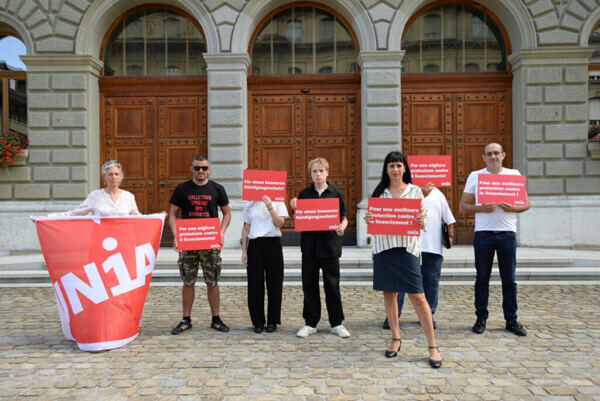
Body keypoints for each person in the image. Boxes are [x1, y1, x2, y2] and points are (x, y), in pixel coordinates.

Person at [365, 151, 442, 368]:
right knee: (389, 295)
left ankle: (433, 346)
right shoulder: (379, 193)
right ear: (386, 169)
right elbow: (373, 220)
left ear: (405, 168)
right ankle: (395, 339)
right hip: (384, 249)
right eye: (392, 166)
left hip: (407, 250)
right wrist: (369, 218)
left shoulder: (415, 191)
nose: (396, 170)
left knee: (418, 297)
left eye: (399, 165)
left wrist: (420, 219)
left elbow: (424, 219)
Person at [459, 142, 530, 336]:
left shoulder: (513, 175)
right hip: (484, 234)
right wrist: (480, 208)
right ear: (483, 157)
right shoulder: (476, 176)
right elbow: (463, 205)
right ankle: (481, 318)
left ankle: (511, 320)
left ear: (503, 155)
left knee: (509, 279)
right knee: (482, 278)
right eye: (489, 154)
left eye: (496, 153)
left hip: (507, 234)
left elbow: (526, 204)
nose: (493, 157)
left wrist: (513, 208)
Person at [169, 155, 232, 335]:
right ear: (192, 169)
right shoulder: (182, 189)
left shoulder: (217, 188)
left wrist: (221, 232)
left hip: (210, 242)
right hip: (188, 242)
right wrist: (176, 235)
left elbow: (227, 213)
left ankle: (216, 318)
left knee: (212, 281)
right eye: (197, 168)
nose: (201, 172)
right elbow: (172, 214)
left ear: (209, 169)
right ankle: (186, 319)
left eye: (204, 168)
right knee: (188, 281)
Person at [290, 157, 351, 339]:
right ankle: (310, 323)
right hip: (309, 247)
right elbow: (299, 220)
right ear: (310, 174)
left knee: (332, 285)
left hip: (330, 246)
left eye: (321, 171)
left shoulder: (336, 194)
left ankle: (337, 323)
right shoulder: (304, 195)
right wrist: (295, 208)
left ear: (327, 172)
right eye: (314, 171)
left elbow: (344, 217)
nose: (318, 174)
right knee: (309, 286)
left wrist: (343, 227)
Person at [383, 183, 456, 330]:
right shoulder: (403, 192)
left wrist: (451, 237)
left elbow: (449, 219)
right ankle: (393, 316)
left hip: (432, 248)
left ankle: (428, 315)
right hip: (407, 246)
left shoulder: (438, 194)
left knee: (431, 282)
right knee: (400, 283)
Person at [241, 195, 288, 333]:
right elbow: (246, 229)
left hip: (273, 243)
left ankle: (273, 321)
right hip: (255, 244)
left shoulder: (279, 201)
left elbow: (279, 223)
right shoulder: (249, 204)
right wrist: (244, 250)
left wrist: (270, 207)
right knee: (255, 283)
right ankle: (258, 321)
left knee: (274, 283)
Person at [49, 160, 140, 217]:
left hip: (123, 239)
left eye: (116, 174)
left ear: (121, 177)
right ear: (104, 177)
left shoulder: (129, 196)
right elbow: (74, 214)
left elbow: (139, 219)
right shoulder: (95, 196)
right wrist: (48, 217)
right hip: (100, 239)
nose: (114, 177)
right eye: (110, 174)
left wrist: (154, 219)